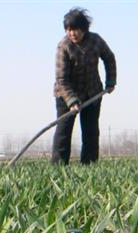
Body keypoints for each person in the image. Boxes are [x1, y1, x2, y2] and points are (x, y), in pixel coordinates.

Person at [51, 7, 116, 165]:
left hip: (92, 93)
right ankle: (58, 167)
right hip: (66, 95)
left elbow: (109, 58)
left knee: (91, 132)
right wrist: (72, 101)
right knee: (63, 132)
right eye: (69, 30)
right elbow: (61, 79)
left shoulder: (96, 40)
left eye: (75, 29)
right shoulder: (63, 47)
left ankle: (89, 165)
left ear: (84, 28)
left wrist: (111, 81)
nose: (72, 33)